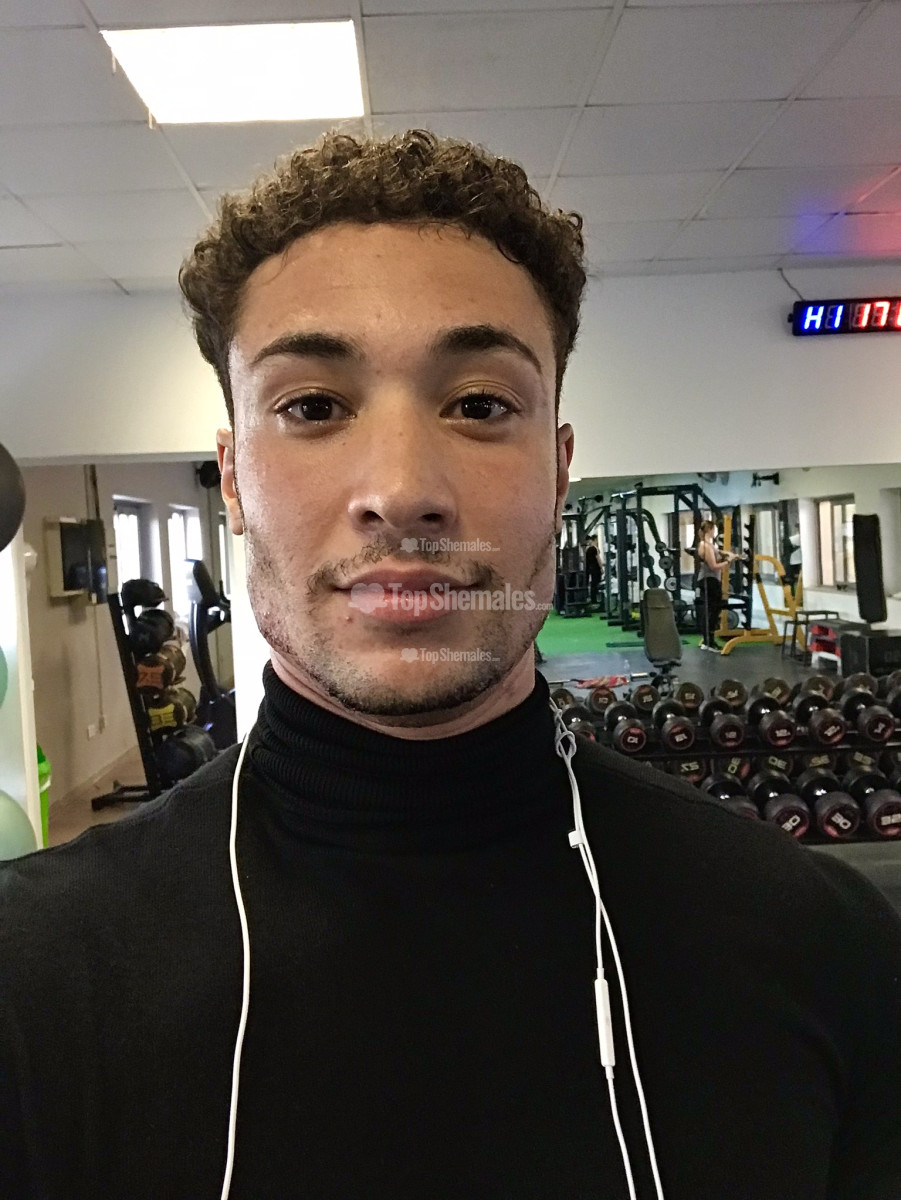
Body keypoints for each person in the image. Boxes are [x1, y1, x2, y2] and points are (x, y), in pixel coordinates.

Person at [1, 130, 900, 1200]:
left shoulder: (823, 944)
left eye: (478, 405)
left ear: (557, 471)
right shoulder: (32, 976)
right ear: (232, 479)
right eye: (313, 407)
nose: (403, 490)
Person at [694, 518, 737, 652]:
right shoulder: (705, 546)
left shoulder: (709, 545)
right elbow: (713, 566)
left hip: (711, 580)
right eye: (714, 530)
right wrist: (728, 562)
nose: (715, 532)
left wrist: (731, 554)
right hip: (709, 580)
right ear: (710, 530)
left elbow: (719, 552)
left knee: (713, 610)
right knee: (712, 611)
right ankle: (709, 643)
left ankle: (708, 641)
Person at [584, 534, 602, 605]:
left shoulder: (587, 549)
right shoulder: (594, 548)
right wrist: (601, 567)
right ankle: (594, 599)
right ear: (595, 540)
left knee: (592, 584)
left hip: (590, 569)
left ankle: (592, 598)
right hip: (595, 569)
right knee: (596, 583)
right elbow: (598, 558)